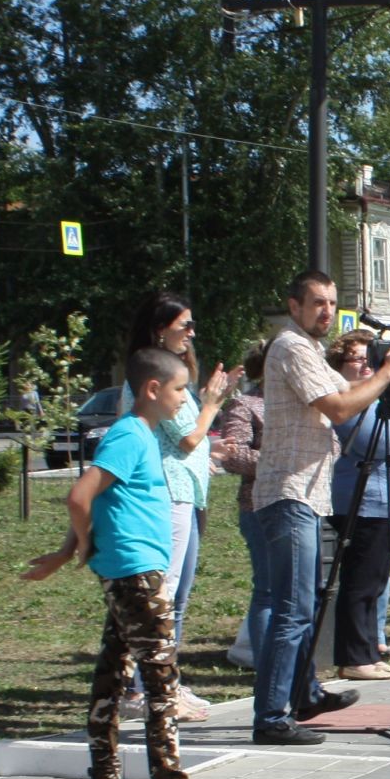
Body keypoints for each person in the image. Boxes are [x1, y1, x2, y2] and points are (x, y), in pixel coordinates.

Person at [22, 348, 228, 779]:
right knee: (161, 683)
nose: (184, 400)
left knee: (111, 676)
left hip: (128, 573)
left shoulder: (142, 437)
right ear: (153, 390)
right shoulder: (131, 435)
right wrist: (81, 546)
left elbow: (96, 500)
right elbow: (80, 495)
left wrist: (66, 550)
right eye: (180, 390)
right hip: (137, 573)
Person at [252, 270, 390, 746]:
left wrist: (388, 374)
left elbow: (349, 397)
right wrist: (389, 372)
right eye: (317, 303)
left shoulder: (309, 349)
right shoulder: (290, 346)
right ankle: (270, 717)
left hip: (309, 493)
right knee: (292, 608)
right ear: (294, 305)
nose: (326, 311)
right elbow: (340, 408)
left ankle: (303, 694)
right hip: (289, 491)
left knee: (304, 603)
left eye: (331, 303)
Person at [121, 294, 229, 723]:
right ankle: (147, 687)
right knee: (161, 595)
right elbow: (187, 438)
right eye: (184, 325)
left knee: (177, 596)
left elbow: (194, 440)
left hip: (189, 491)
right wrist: (212, 404)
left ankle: (165, 680)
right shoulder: (153, 378)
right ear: (159, 329)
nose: (191, 333)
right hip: (168, 495)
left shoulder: (174, 377)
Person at [328, 330, 390, 679]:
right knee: (360, 581)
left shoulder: (378, 400)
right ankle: (352, 657)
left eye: (369, 358)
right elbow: (373, 444)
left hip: (389, 499)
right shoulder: (344, 398)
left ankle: (367, 651)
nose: (364, 365)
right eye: (356, 359)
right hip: (361, 500)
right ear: (340, 365)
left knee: (375, 581)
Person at [212, 343, 269, 670]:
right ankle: (262, 663)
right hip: (258, 507)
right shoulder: (245, 404)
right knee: (270, 588)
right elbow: (233, 456)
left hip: (299, 503)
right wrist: (280, 459)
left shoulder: (299, 402)